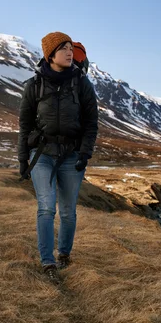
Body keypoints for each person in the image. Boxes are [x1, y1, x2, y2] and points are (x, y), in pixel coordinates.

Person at [17, 31, 99, 283]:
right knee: (45, 207)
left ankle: (64, 254)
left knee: (68, 211)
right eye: (63, 48)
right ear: (50, 54)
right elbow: (25, 124)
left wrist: (85, 153)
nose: (69, 52)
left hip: (71, 155)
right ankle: (47, 261)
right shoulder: (34, 86)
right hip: (42, 154)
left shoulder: (82, 84)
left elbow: (91, 123)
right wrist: (23, 159)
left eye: (70, 48)